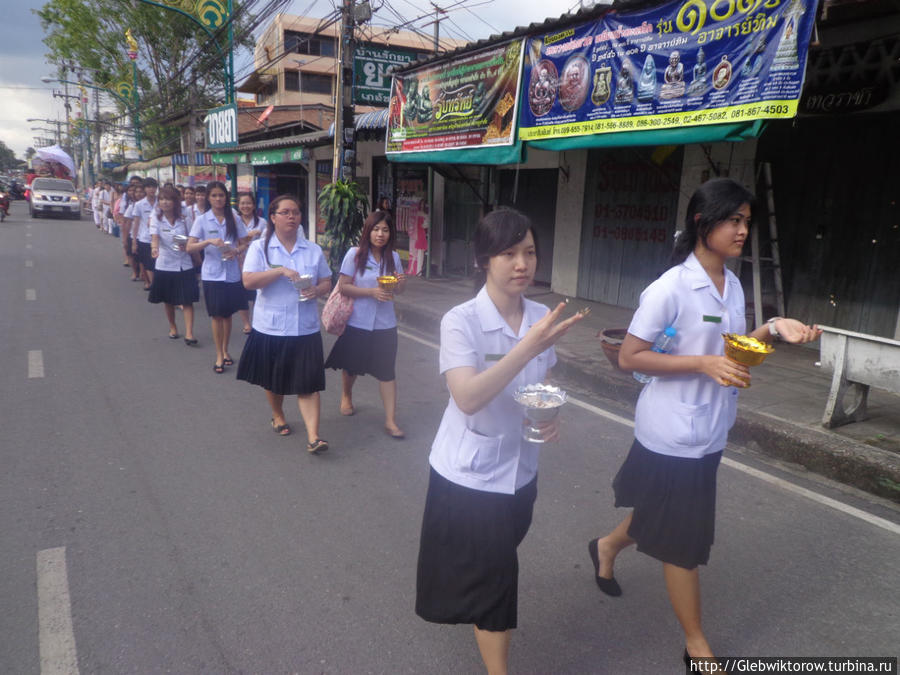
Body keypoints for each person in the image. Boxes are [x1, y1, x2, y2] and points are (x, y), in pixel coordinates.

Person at [587, 178, 821, 667]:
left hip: (710, 429)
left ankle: (607, 546)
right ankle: (696, 643)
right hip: (672, 433)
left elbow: (733, 346)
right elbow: (630, 356)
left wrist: (776, 328)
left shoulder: (731, 284)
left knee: (657, 511)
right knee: (683, 544)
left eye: (747, 222)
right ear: (703, 223)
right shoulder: (669, 289)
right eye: (734, 221)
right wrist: (701, 364)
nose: (742, 232)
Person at [415, 207, 584, 675]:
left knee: (495, 567)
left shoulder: (540, 315)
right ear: (483, 259)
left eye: (528, 252)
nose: (521, 264)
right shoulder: (460, 320)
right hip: (469, 478)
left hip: (521, 474)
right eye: (507, 253)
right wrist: (525, 345)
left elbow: (541, 381)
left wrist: (549, 417)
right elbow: (467, 397)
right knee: (497, 584)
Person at [236, 194, 332, 453]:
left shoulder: (312, 249)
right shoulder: (260, 248)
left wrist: (316, 290)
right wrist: (279, 271)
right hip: (271, 326)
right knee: (274, 379)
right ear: (274, 217)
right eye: (286, 212)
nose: (292, 217)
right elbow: (248, 282)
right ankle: (277, 413)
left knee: (309, 383)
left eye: (296, 212)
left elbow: (327, 281)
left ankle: (314, 437)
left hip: (305, 327)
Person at [324, 210, 407, 437]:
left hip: (385, 323)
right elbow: (343, 286)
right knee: (352, 367)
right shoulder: (355, 254)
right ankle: (346, 395)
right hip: (357, 321)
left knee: (387, 371)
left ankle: (390, 421)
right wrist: (371, 291)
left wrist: (400, 283)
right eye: (376, 229)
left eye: (385, 230)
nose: (380, 234)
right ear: (368, 231)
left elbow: (399, 290)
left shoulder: (394, 258)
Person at [186, 181, 249, 373]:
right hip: (212, 274)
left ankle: (226, 350)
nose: (218, 199)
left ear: (226, 197)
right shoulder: (202, 220)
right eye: (213, 195)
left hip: (231, 274)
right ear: (208, 198)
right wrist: (208, 242)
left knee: (228, 315)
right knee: (216, 316)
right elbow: (190, 246)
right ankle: (219, 355)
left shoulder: (235, 218)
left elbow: (245, 242)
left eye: (221, 195)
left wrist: (236, 251)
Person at [148, 185, 199, 345]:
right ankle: (173, 326)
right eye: (162, 199)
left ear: (175, 202)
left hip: (184, 263)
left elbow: (193, 236)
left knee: (187, 299)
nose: (165, 202)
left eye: (168, 199)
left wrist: (191, 249)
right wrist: (154, 248)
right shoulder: (156, 217)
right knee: (168, 300)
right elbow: (155, 236)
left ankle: (189, 333)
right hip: (165, 264)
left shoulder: (184, 217)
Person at [236, 191, 265, 335]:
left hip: (258, 263)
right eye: (242, 203)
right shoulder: (234, 221)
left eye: (248, 203)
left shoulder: (262, 222)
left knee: (256, 292)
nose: (245, 206)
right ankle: (246, 323)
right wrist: (249, 236)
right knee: (241, 294)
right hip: (238, 262)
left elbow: (267, 242)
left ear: (253, 205)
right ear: (238, 205)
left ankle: (255, 320)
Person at [131, 177, 159, 290]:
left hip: (159, 239)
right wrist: (134, 242)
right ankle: (154, 285)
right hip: (145, 239)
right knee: (149, 264)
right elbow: (136, 224)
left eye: (153, 187)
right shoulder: (139, 204)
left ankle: (157, 284)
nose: (151, 189)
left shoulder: (161, 202)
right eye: (148, 187)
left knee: (158, 263)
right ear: (144, 189)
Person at [407, 199, 429, 276]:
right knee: (416, 253)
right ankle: (415, 269)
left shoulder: (424, 214)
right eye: (421, 204)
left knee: (419, 253)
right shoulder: (421, 214)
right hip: (417, 234)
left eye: (424, 204)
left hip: (420, 234)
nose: (422, 206)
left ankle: (417, 270)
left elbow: (426, 225)